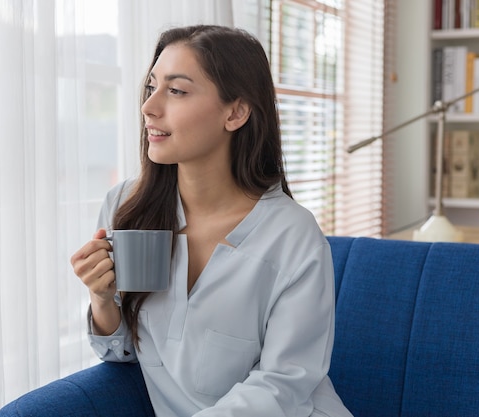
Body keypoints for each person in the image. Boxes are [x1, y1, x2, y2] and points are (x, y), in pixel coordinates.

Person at [71, 24, 352, 417]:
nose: (149, 107)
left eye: (177, 90)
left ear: (235, 112)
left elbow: (284, 383)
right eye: (152, 87)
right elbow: (123, 354)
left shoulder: (292, 235)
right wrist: (101, 298)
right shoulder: (127, 207)